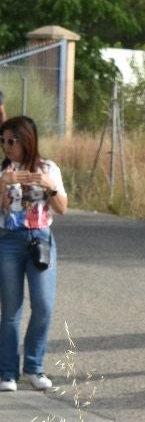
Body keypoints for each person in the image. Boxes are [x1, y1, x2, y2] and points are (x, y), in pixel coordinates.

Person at [0, 116, 67, 392]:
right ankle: (7, 373)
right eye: (2, 141)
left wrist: (48, 186)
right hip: (8, 241)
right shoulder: (2, 170)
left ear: (27, 140)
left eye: (11, 141)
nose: (6, 146)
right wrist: (3, 184)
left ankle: (34, 367)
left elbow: (62, 208)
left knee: (43, 304)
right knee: (11, 309)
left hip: (40, 240)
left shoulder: (48, 168)